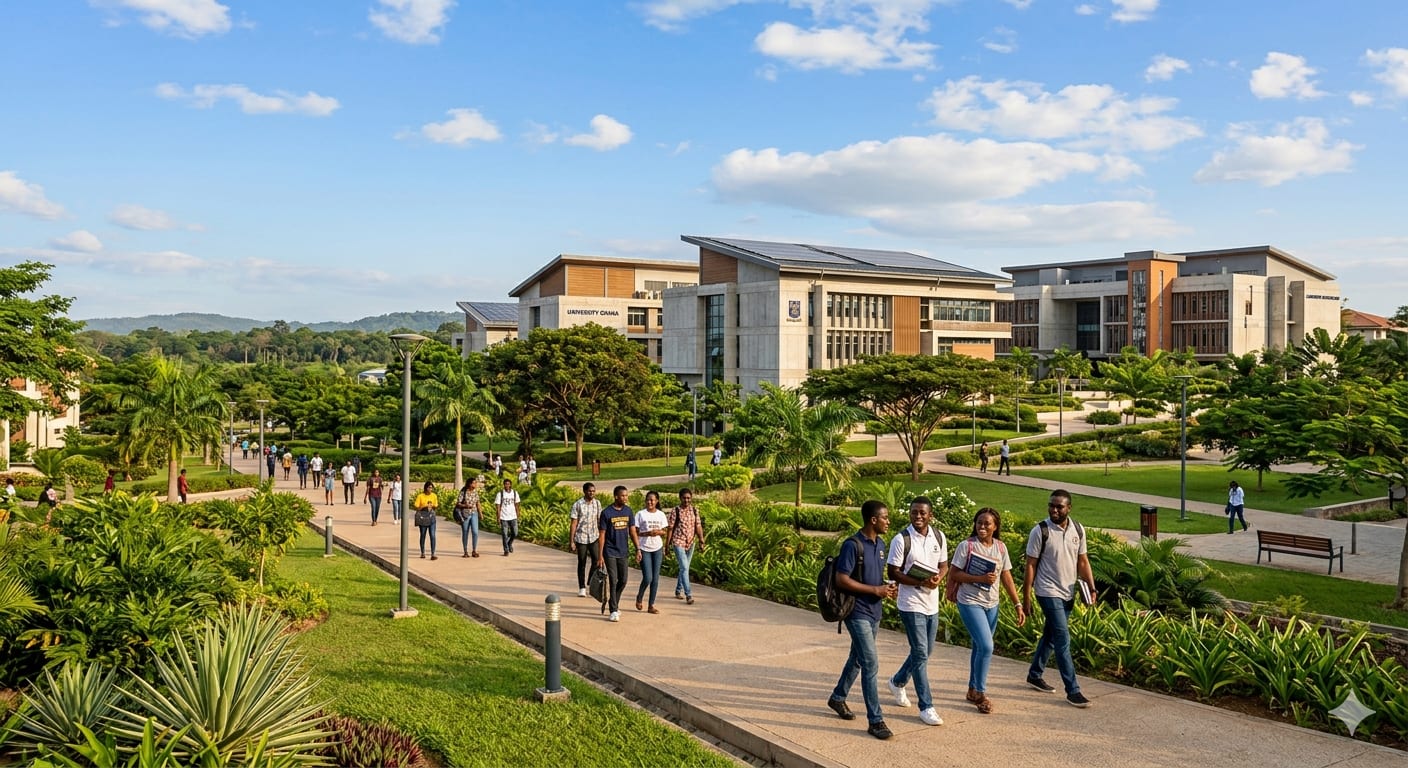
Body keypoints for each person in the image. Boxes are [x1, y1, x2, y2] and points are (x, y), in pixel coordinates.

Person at [827, 500, 898, 740]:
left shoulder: (880, 544)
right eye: (885, 517)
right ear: (873, 520)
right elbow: (841, 580)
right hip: (856, 612)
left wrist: (885, 589)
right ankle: (876, 721)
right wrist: (874, 590)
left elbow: (875, 577)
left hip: (874, 611)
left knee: (857, 659)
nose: (889, 521)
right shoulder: (852, 545)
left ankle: (838, 698)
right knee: (870, 663)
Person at [1023, 489, 1095, 708]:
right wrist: (1026, 597)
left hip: (1069, 590)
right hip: (1047, 591)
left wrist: (1091, 587)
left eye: (1059, 506)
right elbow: (1030, 565)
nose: (1054, 509)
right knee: (1063, 638)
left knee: (1052, 636)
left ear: (1069, 508)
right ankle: (1072, 690)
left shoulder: (1078, 530)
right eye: (1051, 505)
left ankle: (1035, 674)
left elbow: (1082, 561)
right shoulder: (1040, 531)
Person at [952, 507, 1026, 715]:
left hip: (992, 604)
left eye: (987, 523)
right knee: (986, 646)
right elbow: (955, 574)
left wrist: (1017, 604)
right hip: (969, 601)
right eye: (979, 523)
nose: (982, 527)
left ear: (995, 527)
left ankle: (972, 689)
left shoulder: (1001, 548)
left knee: (979, 647)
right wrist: (979, 579)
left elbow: (1007, 577)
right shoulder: (966, 546)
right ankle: (981, 694)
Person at [885, 497, 949, 727]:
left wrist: (939, 578)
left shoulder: (939, 536)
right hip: (910, 604)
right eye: (914, 513)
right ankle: (927, 706)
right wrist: (918, 582)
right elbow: (893, 571)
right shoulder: (901, 539)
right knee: (921, 653)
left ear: (930, 515)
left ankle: (897, 682)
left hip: (932, 603)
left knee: (925, 651)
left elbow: (944, 564)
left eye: (922, 513)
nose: (918, 516)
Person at [596, 485, 633, 622]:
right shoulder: (607, 513)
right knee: (613, 579)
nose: (625, 498)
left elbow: (632, 530)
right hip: (610, 551)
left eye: (626, 495)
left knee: (623, 580)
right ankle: (613, 610)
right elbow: (602, 535)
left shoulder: (628, 511)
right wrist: (600, 556)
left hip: (623, 551)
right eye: (623, 496)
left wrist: (638, 548)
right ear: (616, 496)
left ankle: (614, 601)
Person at [667, 488, 705, 604]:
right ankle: (688, 595)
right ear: (680, 498)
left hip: (690, 542)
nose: (686, 500)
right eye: (684, 498)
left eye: (688, 498)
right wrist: (667, 545)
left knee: (685, 568)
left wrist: (701, 540)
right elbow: (670, 528)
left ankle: (678, 590)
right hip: (678, 541)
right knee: (684, 567)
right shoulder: (675, 511)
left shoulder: (694, 510)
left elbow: (698, 526)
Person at [634, 490, 668, 614]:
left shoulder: (661, 515)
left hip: (657, 548)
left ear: (657, 501)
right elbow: (635, 532)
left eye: (653, 500)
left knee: (655, 579)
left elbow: (665, 531)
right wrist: (647, 533)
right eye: (648, 499)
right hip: (644, 548)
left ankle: (651, 605)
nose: (650, 502)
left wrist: (658, 532)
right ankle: (639, 597)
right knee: (648, 577)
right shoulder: (640, 514)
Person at [569, 482, 602, 597]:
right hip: (581, 537)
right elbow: (574, 523)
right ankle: (582, 587)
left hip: (594, 536)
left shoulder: (597, 504)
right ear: (584, 491)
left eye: (593, 491)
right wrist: (572, 541)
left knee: (596, 560)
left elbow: (599, 520)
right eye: (589, 491)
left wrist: (602, 536)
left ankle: (589, 581)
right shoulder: (578, 504)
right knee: (582, 562)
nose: (592, 493)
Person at [455, 476, 482, 558]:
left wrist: (480, 513)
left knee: (475, 532)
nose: (476, 484)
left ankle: (474, 550)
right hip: (465, 514)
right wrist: (465, 505)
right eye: (474, 483)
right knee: (465, 532)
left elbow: (478, 503)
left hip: (474, 513)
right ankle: (465, 551)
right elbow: (458, 503)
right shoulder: (463, 492)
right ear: (470, 484)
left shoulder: (475, 492)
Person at [413, 481, 439, 560]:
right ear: (425, 488)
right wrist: (424, 506)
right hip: (423, 517)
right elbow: (416, 506)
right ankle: (422, 552)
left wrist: (433, 506)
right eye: (429, 487)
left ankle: (433, 553)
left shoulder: (434, 496)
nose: (430, 489)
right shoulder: (421, 496)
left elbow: (436, 505)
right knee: (423, 535)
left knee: (433, 535)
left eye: (431, 488)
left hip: (431, 517)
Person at [495, 478, 521, 556]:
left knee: (515, 533)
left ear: (510, 485)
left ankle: (509, 543)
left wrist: (518, 514)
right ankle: (506, 550)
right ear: (504, 485)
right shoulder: (500, 494)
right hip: (504, 517)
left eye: (508, 484)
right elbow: (498, 507)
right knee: (504, 534)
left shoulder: (515, 493)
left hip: (513, 516)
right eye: (505, 484)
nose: (507, 485)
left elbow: (517, 505)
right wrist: (498, 517)